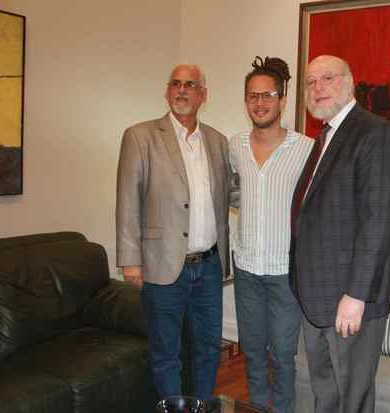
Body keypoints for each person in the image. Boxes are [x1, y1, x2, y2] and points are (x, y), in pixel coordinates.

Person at [289, 55, 390, 413]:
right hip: (316, 295)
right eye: (311, 82)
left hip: (350, 298)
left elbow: (379, 222)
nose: (318, 87)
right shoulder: (325, 136)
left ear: (350, 82)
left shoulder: (374, 132)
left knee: (353, 398)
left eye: (328, 78)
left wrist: (355, 295)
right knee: (325, 392)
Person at [116, 64, 230, 403]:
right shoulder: (140, 136)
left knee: (209, 347)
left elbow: (231, 194)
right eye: (176, 84)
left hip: (209, 265)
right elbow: (127, 200)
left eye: (190, 85)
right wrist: (130, 261)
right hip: (162, 264)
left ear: (203, 95)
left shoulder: (218, 141)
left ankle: (203, 405)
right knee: (166, 351)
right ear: (168, 91)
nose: (182, 90)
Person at [229, 56, 313, 413]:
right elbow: (233, 192)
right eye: (252, 96)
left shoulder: (307, 149)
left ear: (282, 98)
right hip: (247, 268)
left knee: (282, 353)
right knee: (251, 350)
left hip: (285, 272)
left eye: (267, 95)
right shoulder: (234, 146)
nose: (259, 103)